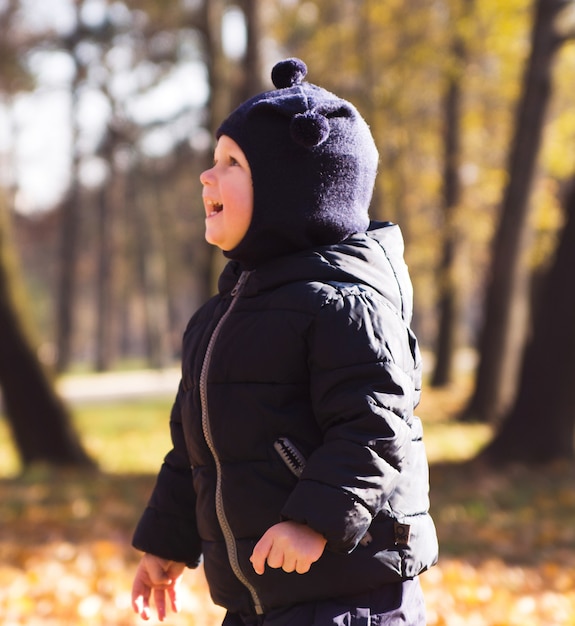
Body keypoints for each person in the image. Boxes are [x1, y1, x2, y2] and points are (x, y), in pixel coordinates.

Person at [131, 57, 438, 625]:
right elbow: (195, 452)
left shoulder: (344, 304)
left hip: (348, 595)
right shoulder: (217, 319)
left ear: (291, 193)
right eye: (214, 158)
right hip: (260, 598)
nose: (207, 175)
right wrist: (168, 543)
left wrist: (314, 521)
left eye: (231, 163)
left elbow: (374, 427)